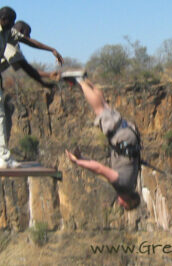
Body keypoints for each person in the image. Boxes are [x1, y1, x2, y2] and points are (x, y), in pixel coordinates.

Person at [0, 6, 64, 168]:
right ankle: (4, 157)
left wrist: (51, 49)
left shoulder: (7, 32)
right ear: (5, 20)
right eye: (12, 21)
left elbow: (28, 41)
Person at [63, 71, 141, 210]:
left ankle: (87, 80)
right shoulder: (122, 185)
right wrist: (78, 162)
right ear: (128, 200)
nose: (120, 204)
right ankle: (80, 80)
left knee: (105, 105)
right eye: (124, 205)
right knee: (99, 110)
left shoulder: (131, 183)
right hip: (121, 137)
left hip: (130, 134)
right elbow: (99, 169)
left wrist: (82, 158)